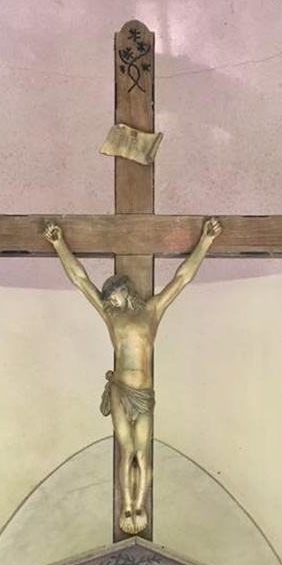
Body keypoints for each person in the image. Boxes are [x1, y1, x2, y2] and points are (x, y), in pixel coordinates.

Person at [43, 216, 222, 535]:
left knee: (143, 454)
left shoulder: (151, 312)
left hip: (144, 394)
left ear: (124, 291)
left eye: (112, 296)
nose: (109, 302)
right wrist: (59, 245)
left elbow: (182, 278)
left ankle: (141, 505)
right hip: (120, 391)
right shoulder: (112, 318)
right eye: (107, 300)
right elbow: (81, 280)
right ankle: (127, 505)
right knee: (126, 451)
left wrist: (205, 242)